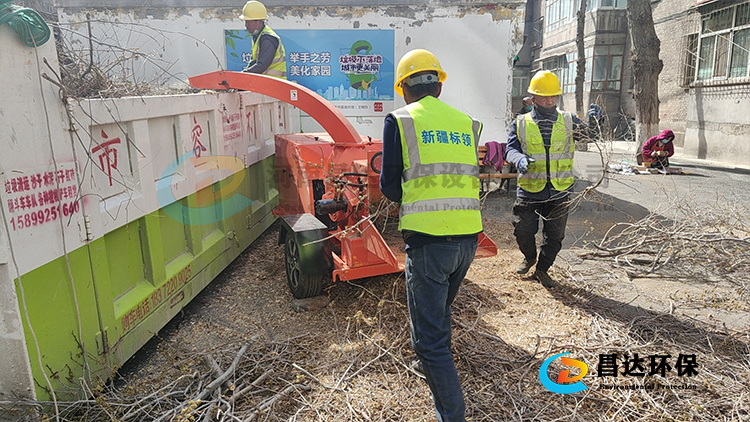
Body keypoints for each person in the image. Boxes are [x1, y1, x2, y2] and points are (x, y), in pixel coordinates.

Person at [379, 49, 482, 422]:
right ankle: (438, 373)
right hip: (468, 241)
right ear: (438, 85)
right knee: (437, 317)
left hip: (428, 243)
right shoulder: (467, 122)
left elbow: (390, 186)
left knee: (430, 341)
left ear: (405, 88)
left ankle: (452, 416)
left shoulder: (400, 121)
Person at [505, 70, 588, 288]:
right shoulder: (521, 123)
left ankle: (542, 269)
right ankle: (529, 256)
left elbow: (590, 136)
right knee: (522, 230)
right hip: (530, 188)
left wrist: (593, 125)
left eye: (553, 96)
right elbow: (510, 150)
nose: (550, 100)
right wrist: (519, 159)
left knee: (554, 236)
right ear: (533, 99)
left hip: (560, 189)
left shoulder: (569, 121)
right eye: (544, 96)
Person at [239, 1, 286, 79]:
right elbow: (254, 63)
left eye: (248, 22)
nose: (246, 25)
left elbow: (261, 65)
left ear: (259, 21)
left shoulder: (268, 39)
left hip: (273, 85)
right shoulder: (258, 36)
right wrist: (243, 73)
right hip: (267, 84)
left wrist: (242, 75)